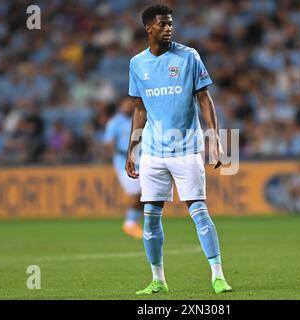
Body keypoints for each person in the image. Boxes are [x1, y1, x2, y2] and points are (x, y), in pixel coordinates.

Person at [125, 4, 232, 294]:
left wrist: (216, 137)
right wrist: (132, 149)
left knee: (199, 210)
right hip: (153, 153)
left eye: (171, 23)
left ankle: (218, 275)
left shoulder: (189, 56)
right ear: (149, 28)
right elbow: (139, 109)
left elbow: (204, 98)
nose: (169, 28)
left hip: (186, 150)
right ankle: (157, 280)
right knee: (150, 215)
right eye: (162, 24)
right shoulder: (137, 63)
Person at [103, 98, 143, 239]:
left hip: (141, 160)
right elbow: (108, 142)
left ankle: (133, 222)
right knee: (137, 192)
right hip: (123, 161)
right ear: (121, 106)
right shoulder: (115, 122)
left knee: (144, 193)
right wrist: (116, 154)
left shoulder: (139, 118)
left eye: (130, 104)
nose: (128, 106)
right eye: (125, 104)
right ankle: (130, 223)